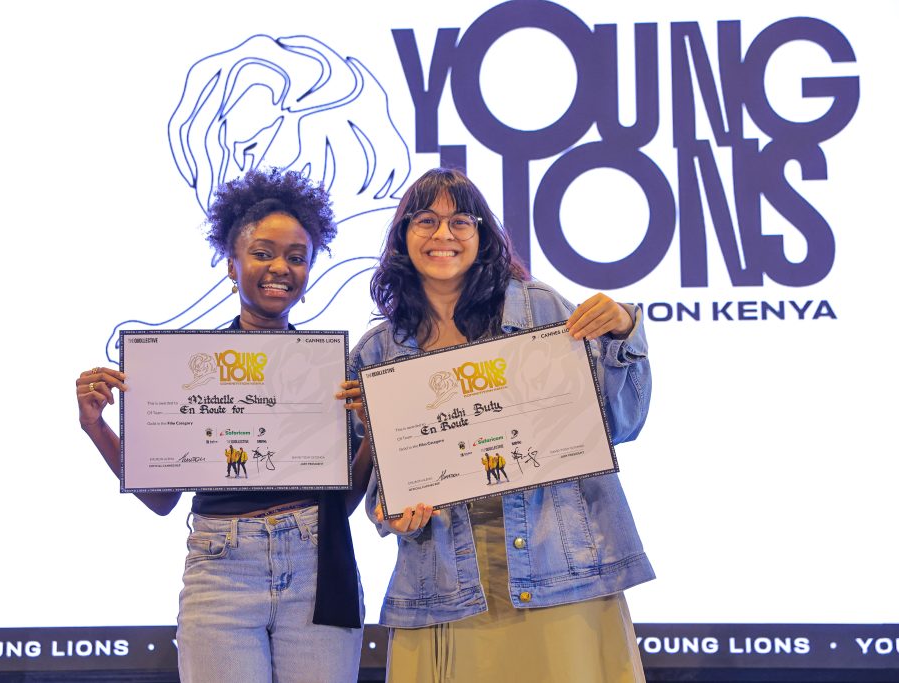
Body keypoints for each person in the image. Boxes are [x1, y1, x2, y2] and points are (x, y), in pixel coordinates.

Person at [340, 168, 653, 681]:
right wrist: (392, 515)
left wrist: (623, 332)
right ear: (403, 237)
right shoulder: (377, 353)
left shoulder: (541, 310)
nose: (443, 234)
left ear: (482, 234)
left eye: (460, 221)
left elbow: (620, 423)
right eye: (426, 220)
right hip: (445, 587)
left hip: (560, 572)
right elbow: (381, 487)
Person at [76, 168, 372, 683]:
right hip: (222, 569)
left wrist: (373, 430)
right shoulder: (183, 369)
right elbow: (161, 499)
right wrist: (96, 427)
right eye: (262, 253)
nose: (280, 267)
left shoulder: (331, 372)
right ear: (232, 266)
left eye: (297, 257)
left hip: (318, 566)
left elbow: (341, 505)